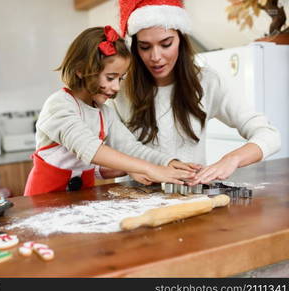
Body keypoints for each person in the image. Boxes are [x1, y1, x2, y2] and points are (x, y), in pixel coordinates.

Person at [109, 0, 281, 185]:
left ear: (181, 40)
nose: (156, 57)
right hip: (136, 200)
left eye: (166, 44)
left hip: (193, 198)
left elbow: (270, 135)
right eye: (145, 47)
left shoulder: (207, 82)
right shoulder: (118, 90)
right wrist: (130, 168)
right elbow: (97, 154)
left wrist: (232, 159)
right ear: (135, 48)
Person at [24, 25, 196, 196]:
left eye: (120, 78)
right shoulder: (59, 105)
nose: (116, 87)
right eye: (110, 77)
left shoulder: (104, 112)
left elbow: (130, 147)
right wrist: (150, 169)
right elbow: (90, 148)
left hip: (79, 199)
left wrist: (167, 162)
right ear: (81, 70)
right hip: (42, 201)